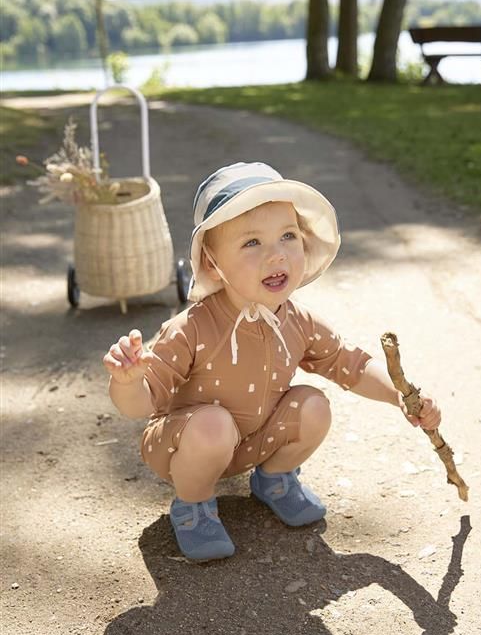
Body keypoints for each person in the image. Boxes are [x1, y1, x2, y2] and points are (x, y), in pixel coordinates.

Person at [103, 162, 441, 562]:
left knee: (313, 405)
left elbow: (348, 363)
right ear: (213, 264)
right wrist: (127, 381)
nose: (276, 254)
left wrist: (401, 396)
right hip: (186, 444)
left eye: (287, 236)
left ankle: (274, 479)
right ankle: (192, 507)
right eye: (252, 243)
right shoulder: (192, 328)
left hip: (254, 440)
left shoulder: (297, 320)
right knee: (212, 423)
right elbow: (141, 404)